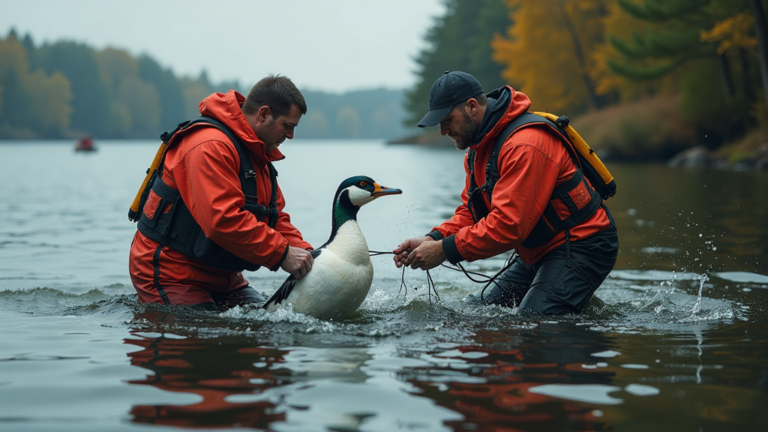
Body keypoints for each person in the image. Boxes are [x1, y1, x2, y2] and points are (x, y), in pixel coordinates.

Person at [393, 71, 618, 316]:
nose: (443, 130)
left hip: (584, 243)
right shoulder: (477, 151)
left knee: (533, 321)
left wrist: (444, 250)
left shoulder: (524, 144)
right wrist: (433, 239)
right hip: (539, 250)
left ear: (471, 107)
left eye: (447, 119)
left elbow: (509, 225)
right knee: (478, 310)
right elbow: (472, 214)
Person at [129, 75, 314, 311]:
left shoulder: (259, 155)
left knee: (269, 327)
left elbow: (275, 219)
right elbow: (222, 219)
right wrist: (283, 254)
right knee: (206, 336)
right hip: (170, 272)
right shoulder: (209, 145)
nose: (290, 136)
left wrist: (309, 256)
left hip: (224, 277)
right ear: (264, 114)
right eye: (287, 126)